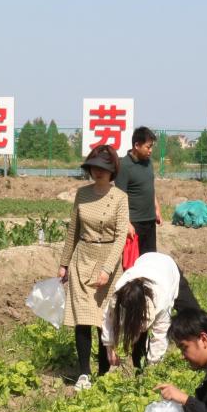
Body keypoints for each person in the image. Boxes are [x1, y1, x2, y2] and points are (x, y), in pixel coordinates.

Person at [58, 144, 129, 391]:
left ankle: (103, 370)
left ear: (112, 171)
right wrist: (64, 263)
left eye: (103, 168)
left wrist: (107, 269)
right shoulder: (82, 194)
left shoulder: (120, 198)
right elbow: (73, 230)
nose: (98, 172)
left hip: (108, 261)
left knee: (103, 318)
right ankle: (84, 373)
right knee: (83, 318)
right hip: (82, 259)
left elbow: (120, 237)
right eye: (94, 167)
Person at [101, 252, 198, 370]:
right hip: (144, 261)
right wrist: (109, 347)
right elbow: (108, 319)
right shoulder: (119, 294)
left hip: (167, 268)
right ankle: (139, 367)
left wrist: (153, 366)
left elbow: (160, 334)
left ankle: (203, 354)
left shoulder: (161, 299)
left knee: (194, 316)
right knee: (139, 340)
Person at [115, 126, 163, 254]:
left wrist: (157, 209)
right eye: (148, 147)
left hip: (150, 221)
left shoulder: (148, 162)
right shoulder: (124, 166)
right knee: (133, 261)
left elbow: (150, 187)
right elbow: (119, 198)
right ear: (137, 145)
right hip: (134, 223)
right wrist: (127, 223)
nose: (150, 150)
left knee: (149, 258)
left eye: (151, 147)